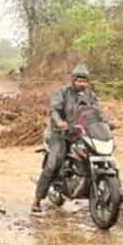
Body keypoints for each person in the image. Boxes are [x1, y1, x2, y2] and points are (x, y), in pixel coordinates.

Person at [31, 64, 106, 214]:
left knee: (101, 155)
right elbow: (54, 110)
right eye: (79, 81)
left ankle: (110, 190)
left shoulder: (90, 95)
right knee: (55, 162)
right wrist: (59, 122)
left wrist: (105, 123)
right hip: (60, 134)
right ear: (73, 80)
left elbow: (98, 112)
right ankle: (37, 200)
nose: (82, 84)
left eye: (85, 81)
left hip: (81, 133)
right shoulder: (62, 93)